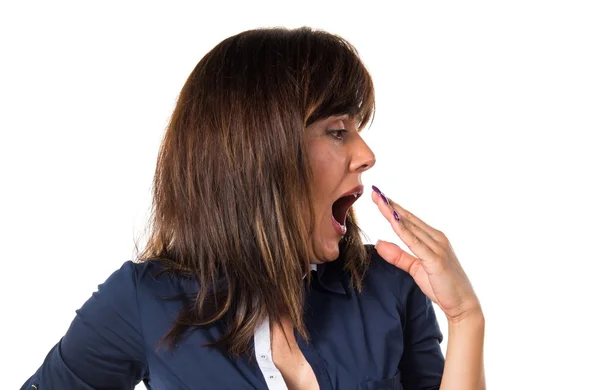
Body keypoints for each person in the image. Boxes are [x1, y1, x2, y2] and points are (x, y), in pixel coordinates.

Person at [21, 26, 485, 390]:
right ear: (260, 154)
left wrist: (464, 316)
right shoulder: (144, 301)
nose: (366, 154)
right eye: (338, 130)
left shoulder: (389, 285)